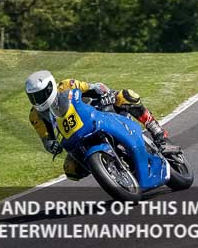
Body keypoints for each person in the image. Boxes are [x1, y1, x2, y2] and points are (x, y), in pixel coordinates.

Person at [25, 70, 170, 181]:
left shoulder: (66, 85)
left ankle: (157, 131)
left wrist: (105, 94)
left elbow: (96, 87)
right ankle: (111, 171)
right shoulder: (35, 116)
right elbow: (46, 139)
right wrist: (52, 145)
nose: (37, 100)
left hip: (98, 113)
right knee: (71, 170)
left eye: (41, 94)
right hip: (75, 137)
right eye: (33, 97)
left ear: (50, 87)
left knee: (125, 96)